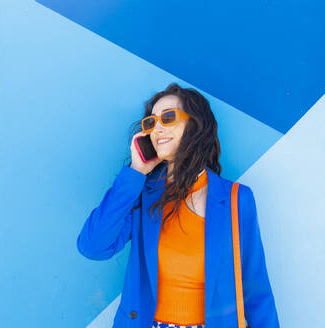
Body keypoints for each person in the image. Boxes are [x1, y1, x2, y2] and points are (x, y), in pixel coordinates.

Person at [77, 83, 280, 328]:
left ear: (195, 125)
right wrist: (135, 172)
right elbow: (93, 247)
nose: (158, 128)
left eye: (168, 117)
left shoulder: (236, 200)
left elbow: (256, 290)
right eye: (151, 122)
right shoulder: (142, 193)